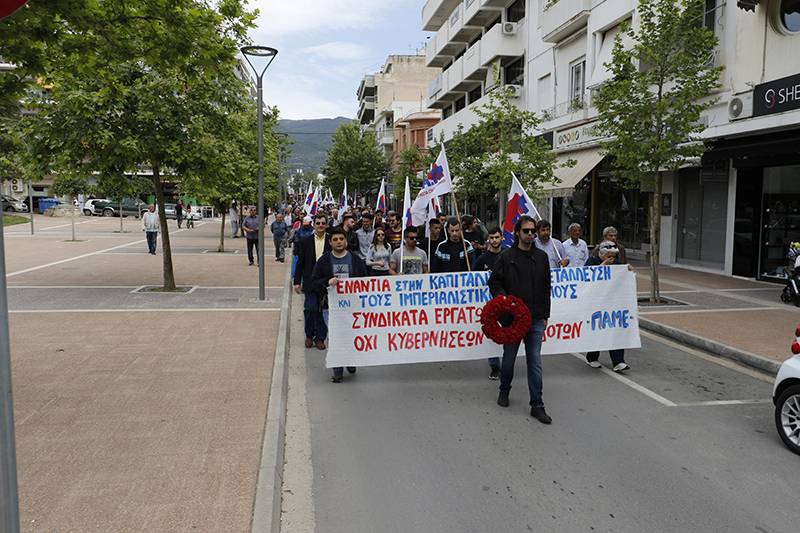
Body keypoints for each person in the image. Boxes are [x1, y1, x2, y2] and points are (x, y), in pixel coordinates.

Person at [488, 215, 552, 424]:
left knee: (535, 362)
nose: (531, 234)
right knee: (509, 359)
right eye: (526, 231)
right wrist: (504, 299)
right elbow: (494, 282)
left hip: (535, 318)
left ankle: (537, 405)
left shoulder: (541, 257)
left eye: (533, 231)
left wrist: (545, 315)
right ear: (517, 233)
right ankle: (504, 390)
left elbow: (546, 288)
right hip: (513, 319)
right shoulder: (506, 257)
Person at [311, 226, 367, 382]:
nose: (338, 242)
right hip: (330, 307)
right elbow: (314, 281)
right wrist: (326, 282)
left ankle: (350, 361)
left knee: (350, 335)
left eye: (341, 239)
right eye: (335, 239)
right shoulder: (323, 261)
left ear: (346, 241)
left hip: (352, 307)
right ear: (330, 242)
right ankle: (337, 368)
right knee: (335, 335)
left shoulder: (355, 260)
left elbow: (365, 280)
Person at [584, 240, 631, 372]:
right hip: (595, 303)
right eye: (609, 256)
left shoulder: (616, 263)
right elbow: (586, 278)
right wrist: (603, 265)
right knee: (597, 329)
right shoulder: (592, 261)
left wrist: (628, 271)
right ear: (602, 254)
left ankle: (618, 361)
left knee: (615, 330)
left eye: (614, 256)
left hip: (612, 302)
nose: (612, 259)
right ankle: (592, 357)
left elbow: (622, 276)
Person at [294, 213, 331, 350]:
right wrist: (297, 281)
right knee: (310, 309)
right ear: (314, 225)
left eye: (323, 223)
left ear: (326, 225)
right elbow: (300, 263)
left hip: (325, 283)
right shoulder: (305, 241)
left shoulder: (331, 241)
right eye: (318, 223)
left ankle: (320, 338)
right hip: (309, 281)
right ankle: (309, 335)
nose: (320, 225)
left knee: (321, 311)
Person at [474, 227, 504, 380]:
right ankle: (495, 366)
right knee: (492, 334)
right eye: (491, 238)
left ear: (502, 238)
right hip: (488, 303)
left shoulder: (507, 255)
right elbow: (473, 278)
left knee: (507, 332)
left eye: (497, 237)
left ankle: (507, 363)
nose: (494, 240)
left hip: (505, 301)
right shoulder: (482, 259)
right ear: (488, 240)